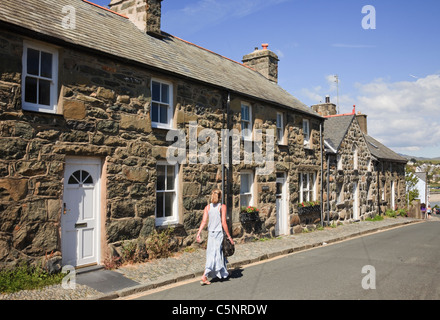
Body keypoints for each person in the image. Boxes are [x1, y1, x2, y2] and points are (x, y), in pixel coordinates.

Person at [196, 189, 234, 285]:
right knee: (215, 255)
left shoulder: (207, 207)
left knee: (215, 253)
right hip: (218, 234)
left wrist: (198, 232)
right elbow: (224, 223)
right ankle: (204, 276)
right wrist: (229, 237)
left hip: (211, 234)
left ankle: (223, 273)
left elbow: (204, 221)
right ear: (220, 197)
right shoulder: (222, 207)